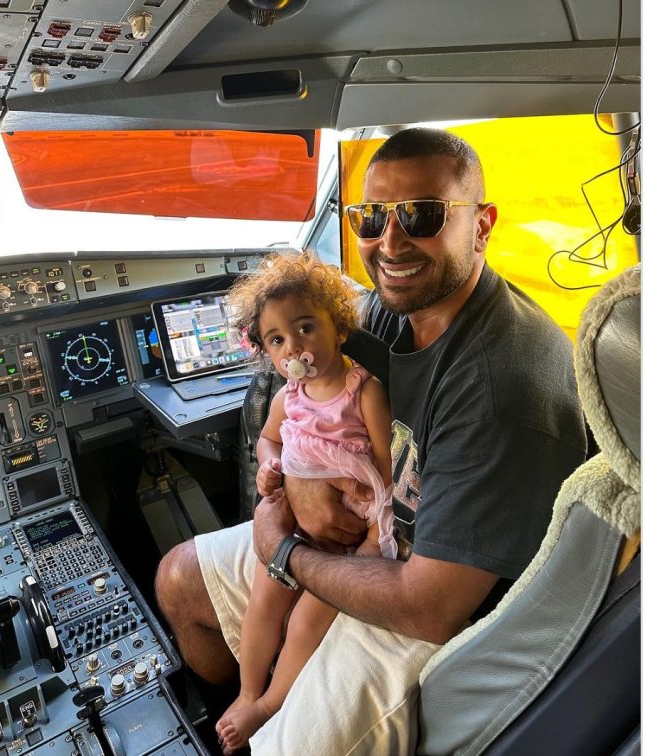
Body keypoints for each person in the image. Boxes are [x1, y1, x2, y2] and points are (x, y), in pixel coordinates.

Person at [155, 127, 587, 754]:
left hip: (436, 599)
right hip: (366, 529)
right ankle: (242, 712)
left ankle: (268, 722)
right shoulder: (395, 306)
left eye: (421, 215)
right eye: (370, 218)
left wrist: (285, 552)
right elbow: (308, 382)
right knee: (178, 578)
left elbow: (429, 607)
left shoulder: (502, 387)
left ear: (482, 226)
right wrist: (297, 481)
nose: (390, 242)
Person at [214, 251, 397, 753]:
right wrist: (271, 465)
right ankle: (248, 692)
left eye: (305, 328)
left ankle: (271, 703)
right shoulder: (287, 398)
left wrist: (372, 533)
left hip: (351, 537)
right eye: (277, 340)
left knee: (304, 622)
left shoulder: (365, 393)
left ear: (338, 328)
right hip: (294, 524)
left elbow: (387, 468)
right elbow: (268, 441)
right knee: (264, 602)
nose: (293, 347)